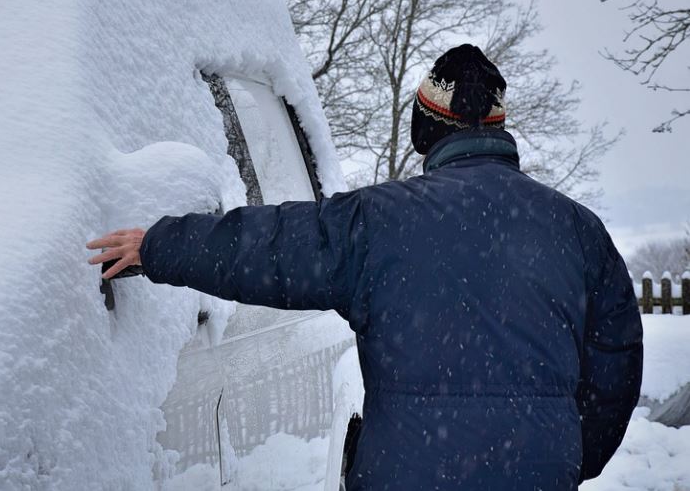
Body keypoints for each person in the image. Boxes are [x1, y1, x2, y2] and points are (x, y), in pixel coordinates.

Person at [86, 44, 643, 490]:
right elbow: (615, 368)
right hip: (538, 475)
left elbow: (269, 246)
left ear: (426, 129)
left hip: (408, 474)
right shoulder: (579, 230)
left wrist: (159, 245)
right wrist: (563, 453)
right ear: (497, 129)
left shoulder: (378, 222)